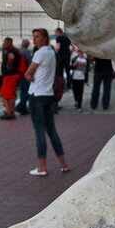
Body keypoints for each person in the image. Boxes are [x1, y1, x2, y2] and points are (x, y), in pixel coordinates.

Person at [24, 28, 69, 176]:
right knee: (52, 131)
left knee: (39, 132)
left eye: (37, 37)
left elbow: (28, 73)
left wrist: (29, 75)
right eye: (33, 37)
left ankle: (42, 167)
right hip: (49, 95)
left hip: (37, 95)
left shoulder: (39, 53)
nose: (34, 39)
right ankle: (63, 164)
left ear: (44, 38)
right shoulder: (52, 53)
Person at [0, 37, 23, 120]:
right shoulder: (11, 50)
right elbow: (4, 58)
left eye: (5, 43)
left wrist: (9, 65)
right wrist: (3, 50)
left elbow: (11, 57)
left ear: (9, 42)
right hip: (8, 75)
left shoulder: (11, 50)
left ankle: (10, 112)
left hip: (10, 75)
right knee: (4, 93)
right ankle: (8, 109)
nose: (3, 44)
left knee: (9, 94)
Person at [15, 38, 33, 115]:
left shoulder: (17, 51)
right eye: (28, 44)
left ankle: (23, 108)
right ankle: (20, 106)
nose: (28, 46)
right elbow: (30, 63)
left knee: (22, 90)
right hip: (25, 73)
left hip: (18, 73)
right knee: (29, 91)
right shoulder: (27, 52)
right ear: (26, 44)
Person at [69, 47, 89, 112]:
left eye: (81, 51)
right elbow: (70, 68)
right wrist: (73, 65)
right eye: (79, 51)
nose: (80, 53)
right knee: (75, 91)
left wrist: (86, 80)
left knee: (80, 92)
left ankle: (79, 106)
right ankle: (76, 100)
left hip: (81, 78)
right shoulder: (75, 59)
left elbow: (87, 71)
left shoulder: (86, 60)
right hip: (74, 77)